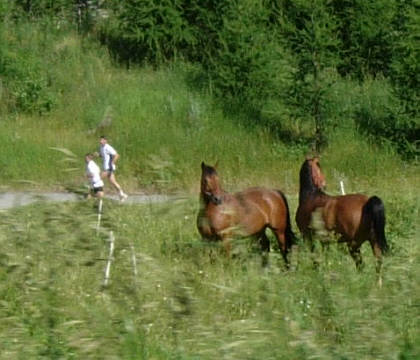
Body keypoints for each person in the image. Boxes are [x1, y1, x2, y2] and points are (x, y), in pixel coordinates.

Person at [98, 135, 128, 201]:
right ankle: (122, 195)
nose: (101, 141)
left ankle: (97, 195)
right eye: (100, 140)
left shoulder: (108, 147)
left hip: (108, 168)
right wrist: (98, 155)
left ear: (106, 141)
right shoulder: (101, 147)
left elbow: (116, 155)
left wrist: (112, 163)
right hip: (106, 167)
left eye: (102, 140)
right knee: (113, 182)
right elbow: (103, 156)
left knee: (98, 178)